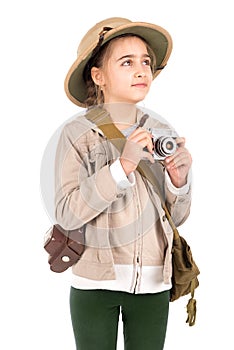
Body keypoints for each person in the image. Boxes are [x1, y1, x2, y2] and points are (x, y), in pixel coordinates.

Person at [54, 17, 192, 350]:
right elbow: (66, 214)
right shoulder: (77, 134)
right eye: (127, 62)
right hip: (94, 281)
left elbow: (178, 217)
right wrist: (124, 165)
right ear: (98, 76)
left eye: (146, 61)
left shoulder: (160, 130)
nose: (142, 70)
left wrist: (179, 182)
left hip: (153, 283)